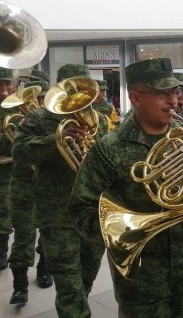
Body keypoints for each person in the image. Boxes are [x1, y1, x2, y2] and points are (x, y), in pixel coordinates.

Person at [67, 58, 183, 318]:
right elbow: (80, 210)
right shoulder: (109, 148)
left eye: (175, 92)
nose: (173, 101)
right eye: (162, 93)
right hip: (141, 277)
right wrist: (125, 229)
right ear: (136, 98)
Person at [13, 64, 108, 317]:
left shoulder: (99, 119)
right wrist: (56, 141)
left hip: (92, 211)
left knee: (87, 276)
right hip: (56, 214)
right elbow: (19, 153)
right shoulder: (39, 118)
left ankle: (79, 306)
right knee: (68, 285)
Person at [8, 80, 53, 305]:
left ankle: (44, 269)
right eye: (38, 99)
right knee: (23, 235)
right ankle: (19, 286)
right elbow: (19, 150)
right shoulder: (23, 121)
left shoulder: (58, 120)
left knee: (47, 233)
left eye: (44, 99)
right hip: (23, 184)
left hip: (48, 187)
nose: (39, 104)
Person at [0, 67, 17, 270]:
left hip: (10, 170)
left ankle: (2, 250)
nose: (4, 89)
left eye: (7, 84)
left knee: (4, 210)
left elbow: (20, 141)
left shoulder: (17, 108)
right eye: (0, 84)